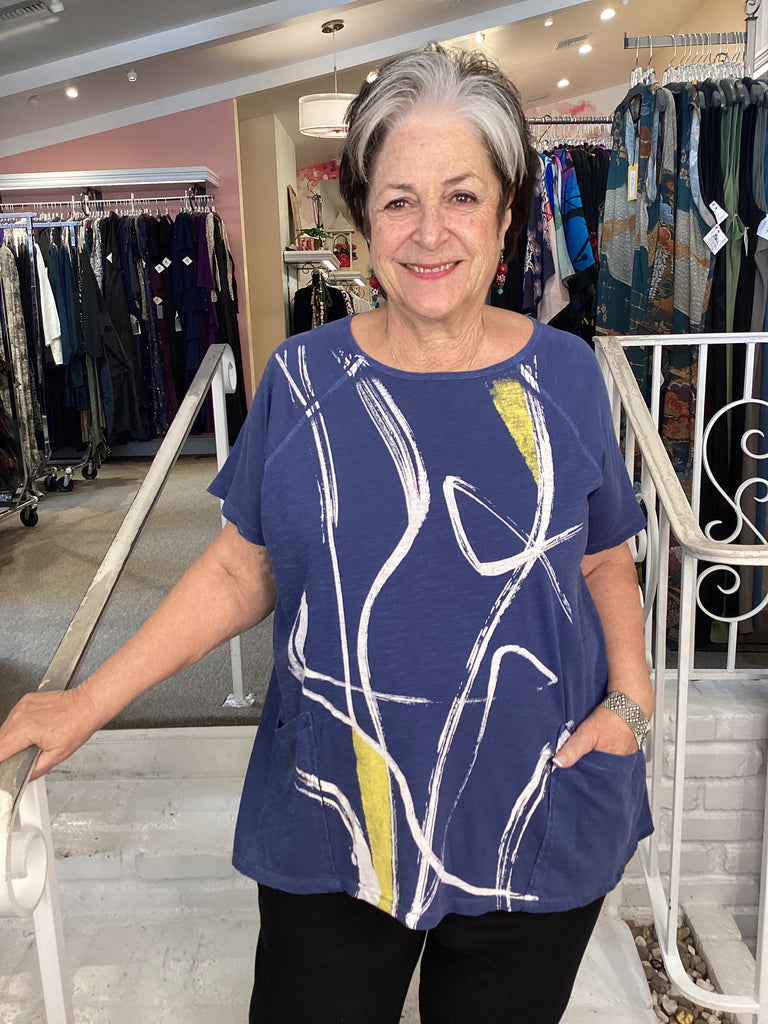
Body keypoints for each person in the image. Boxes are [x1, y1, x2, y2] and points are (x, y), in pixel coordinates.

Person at [0, 44, 654, 1024]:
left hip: (535, 803)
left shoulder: (567, 376)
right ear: (363, 217)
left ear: (509, 211)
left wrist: (634, 700)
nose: (429, 231)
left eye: (462, 196)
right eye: (398, 201)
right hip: (334, 807)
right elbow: (240, 567)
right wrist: (88, 701)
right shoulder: (303, 380)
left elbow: (603, 556)